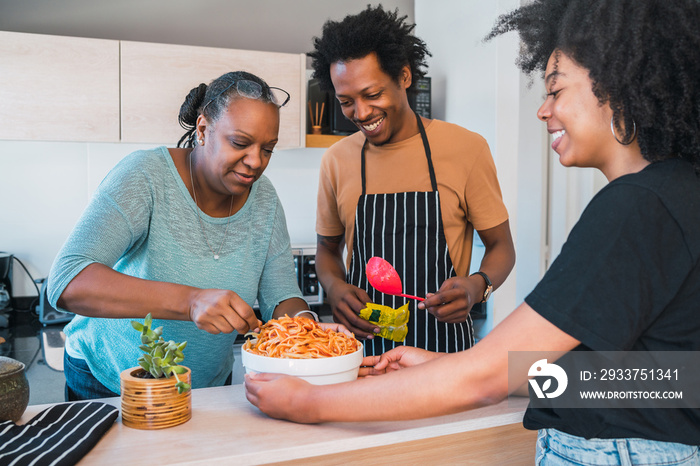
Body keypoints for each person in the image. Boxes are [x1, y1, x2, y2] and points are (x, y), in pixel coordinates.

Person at [246, 0, 700, 463]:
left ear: (619, 83)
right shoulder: (677, 194)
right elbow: (658, 381)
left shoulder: (636, 206)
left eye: (555, 89)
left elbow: (488, 379)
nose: (543, 111)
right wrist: (455, 368)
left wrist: (311, 401)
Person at [48, 71, 330, 401]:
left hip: (207, 387)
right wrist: (191, 301)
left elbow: (281, 296)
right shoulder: (146, 176)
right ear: (202, 129)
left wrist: (309, 329)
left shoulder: (264, 200)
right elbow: (67, 281)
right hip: (112, 381)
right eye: (240, 143)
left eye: (268, 149)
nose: (256, 162)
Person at [309, 5, 516, 356]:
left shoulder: (466, 149)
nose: (360, 113)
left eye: (372, 95)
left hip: (444, 352)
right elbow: (327, 251)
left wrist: (476, 286)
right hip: (364, 355)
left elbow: (502, 248)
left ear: (404, 77)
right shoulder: (336, 160)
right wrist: (334, 287)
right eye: (346, 101)